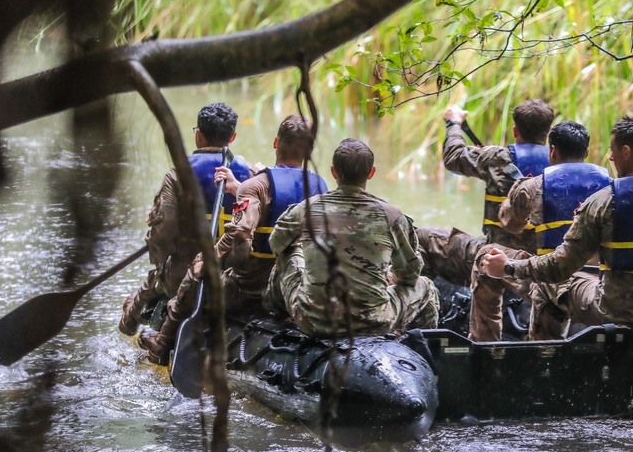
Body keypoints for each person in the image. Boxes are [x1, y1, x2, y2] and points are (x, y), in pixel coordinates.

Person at [480, 116, 633, 334]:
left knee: (549, 286)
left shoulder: (601, 203)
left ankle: (546, 361)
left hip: (616, 312)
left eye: (613, 150)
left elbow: (559, 267)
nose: (610, 157)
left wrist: (510, 267)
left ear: (627, 152)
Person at [138, 114, 327, 364]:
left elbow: (240, 234)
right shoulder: (320, 186)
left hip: (251, 288)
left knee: (196, 269)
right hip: (296, 287)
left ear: (275, 143)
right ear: (310, 149)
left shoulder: (257, 185)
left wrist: (207, 260)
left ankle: (161, 343)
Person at [267, 138, 438, 338]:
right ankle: (424, 348)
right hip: (375, 322)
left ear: (333, 172)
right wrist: (388, 276)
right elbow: (410, 274)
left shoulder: (307, 208)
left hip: (312, 321)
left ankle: (273, 315)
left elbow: (275, 243)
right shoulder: (392, 216)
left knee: (288, 250)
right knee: (426, 286)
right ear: (371, 173)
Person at [467, 121, 610, 341]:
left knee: (485, 256)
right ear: (587, 153)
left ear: (552, 151)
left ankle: (486, 347)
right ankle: (543, 342)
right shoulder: (611, 187)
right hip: (597, 279)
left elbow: (510, 223)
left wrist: (519, 190)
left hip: (551, 276)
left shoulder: (533, 186)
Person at [119, 103, 252, 337]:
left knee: (154, 280)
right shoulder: (249, 175)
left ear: (198, 135)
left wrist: (158, 258)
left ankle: (129, 322)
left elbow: (163, 237)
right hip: (234, 280)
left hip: (185, 276)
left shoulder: (178, 174)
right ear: (233, 136)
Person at [417, 99, 554, 286]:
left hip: (494, 254)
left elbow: (453, 156)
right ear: (548, 132)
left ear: (515, 131)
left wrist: (454, 124)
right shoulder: (560, 164)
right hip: (542, 262)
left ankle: (429, 301)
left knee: (423, 237)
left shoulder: (497, 158)